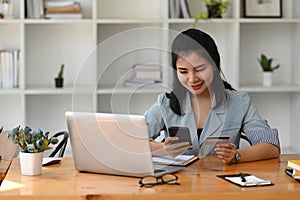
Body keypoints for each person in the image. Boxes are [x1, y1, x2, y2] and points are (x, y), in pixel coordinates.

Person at [144, 28, 280, 164]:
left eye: (200, 69)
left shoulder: (239, 102)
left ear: (214, 64)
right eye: (183, 71)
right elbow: (130, 141)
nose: (192, 79)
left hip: (222, 182)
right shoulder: (165, 103)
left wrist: (237, 155)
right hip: (177, 182)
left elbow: (271, 146)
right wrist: (162, 149)